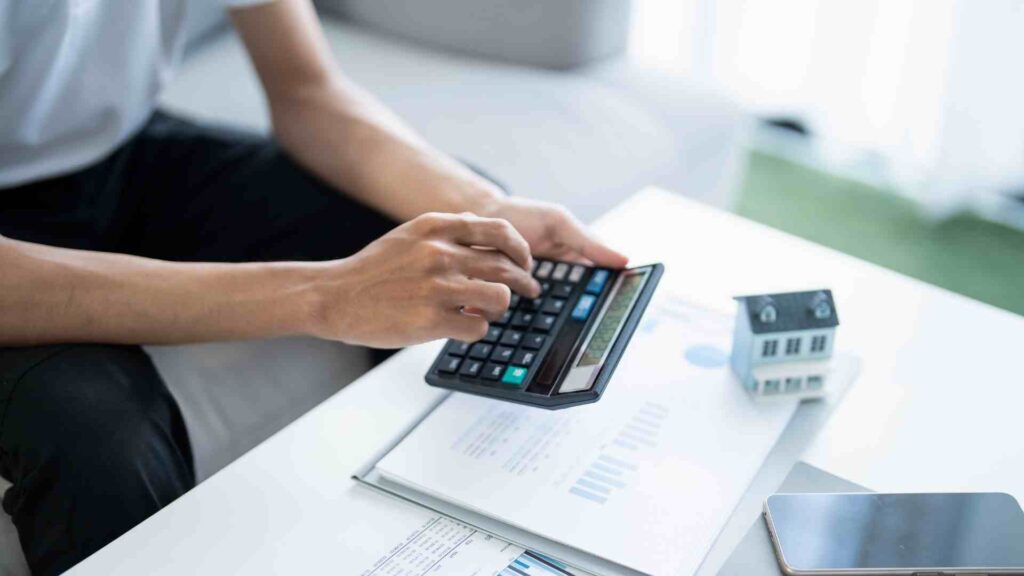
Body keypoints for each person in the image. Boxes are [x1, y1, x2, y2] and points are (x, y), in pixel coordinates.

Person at [0, 0, 628, 573]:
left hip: (125, 149)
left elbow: (308, 90)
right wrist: (326, 295)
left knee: (467, 248)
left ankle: (493, 524)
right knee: (101, 442)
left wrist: (488, 205)